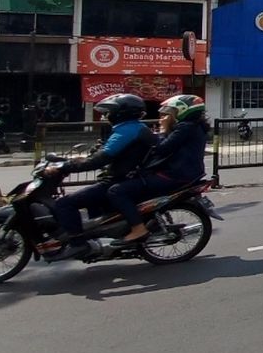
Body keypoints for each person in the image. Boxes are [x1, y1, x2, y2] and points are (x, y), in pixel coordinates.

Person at [47, 93, 156, 259]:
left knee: (64, 204)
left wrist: (65, 167)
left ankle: (78, 244)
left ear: (120, 113)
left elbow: (101, 159)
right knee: (91, 206)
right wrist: (72, 161)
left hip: (118, 180)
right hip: (124, 177)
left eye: (108, 113)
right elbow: (104, 154)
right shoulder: (133, 128)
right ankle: (98, 242)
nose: (106, 116)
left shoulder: (127, 131)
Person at [103, 94, 210, 246]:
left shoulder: (186, 127)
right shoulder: (193, 126)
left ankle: (138, 229)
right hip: (182, 173)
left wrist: (157, 132)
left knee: (117, 191)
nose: (163, 117)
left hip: (175, 175)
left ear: (182, 111)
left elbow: (162, 148)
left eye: (168, 114)